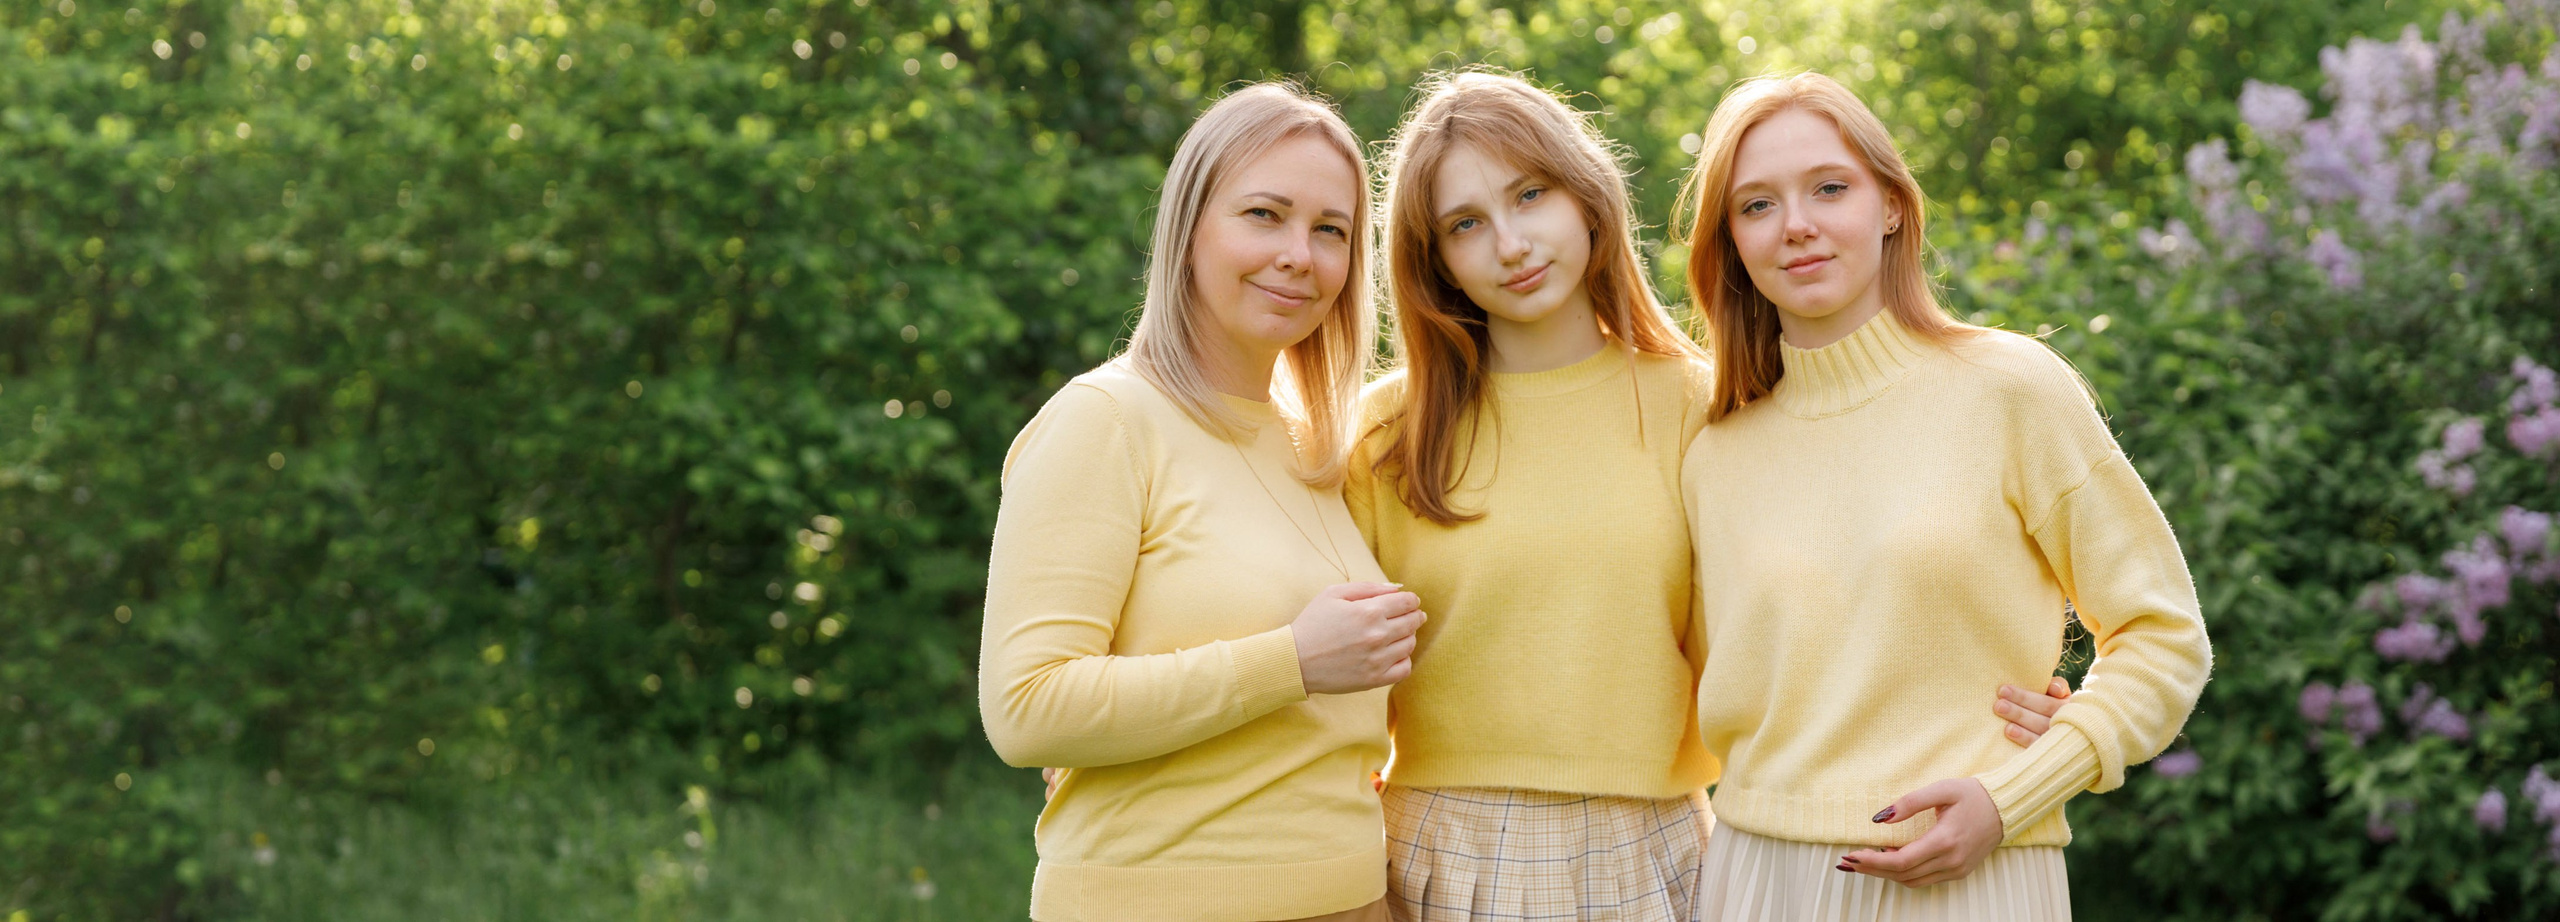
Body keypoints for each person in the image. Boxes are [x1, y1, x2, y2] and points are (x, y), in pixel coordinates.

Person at [1349, 70, 2082, 922]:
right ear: (1432, 258)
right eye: (1464, 224)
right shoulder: (1383, 435)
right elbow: (1335, 697)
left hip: (1662, 852)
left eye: (1531, 194)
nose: (1510, 242)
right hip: (1436, 849)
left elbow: (1832, 592)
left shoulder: (1710, 407)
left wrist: (2009, 705)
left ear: (1587, 199)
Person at [1675, 72, 2214, 920]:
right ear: (1731, 241)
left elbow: (2164, 637)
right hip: (1757, 880)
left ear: (1890, 204)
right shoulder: (1714, 455)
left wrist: (2025, 789)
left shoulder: (2011, 390)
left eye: (1829, 187)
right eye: (1757, 205)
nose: (1799, 225)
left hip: (1975, 878)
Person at [978, 82, 1419, 922]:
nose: (1300, 253)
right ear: (1189, 229)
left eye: (1331, 230)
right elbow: (1027, 708)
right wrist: (1290, 661)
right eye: (1264, 214)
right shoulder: (1105, 420)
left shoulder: (1321, 450)